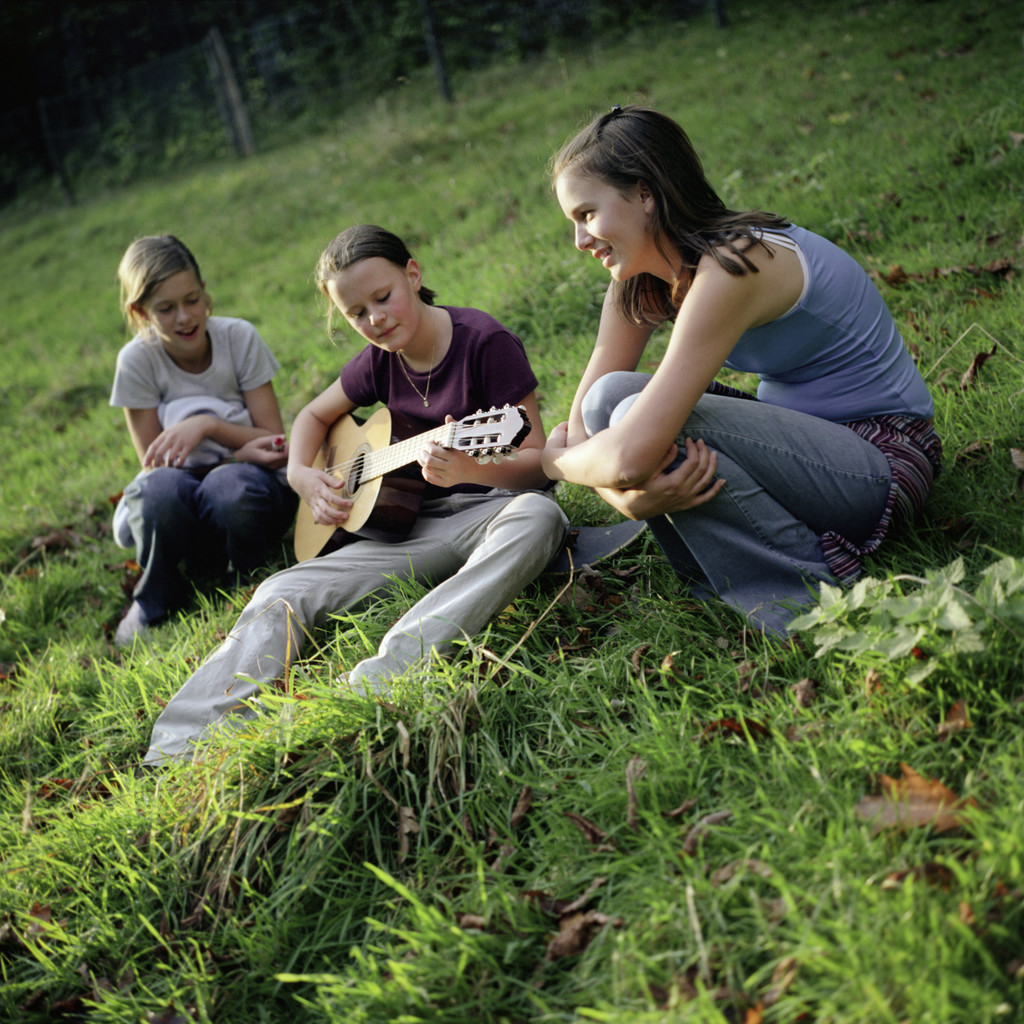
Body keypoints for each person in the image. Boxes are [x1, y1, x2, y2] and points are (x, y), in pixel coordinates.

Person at [144, 225, 566, 764]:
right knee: (280, 590)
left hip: (487, 513)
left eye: (383, 298)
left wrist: (471, 469)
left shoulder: (483, 342)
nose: (375, 319)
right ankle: (176, 744)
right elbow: (315, 417)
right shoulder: (377, 361)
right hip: (403, 528)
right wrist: (302, 474)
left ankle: (381, 677)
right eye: (356, 313)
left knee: (539, 516)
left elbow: (538, 467)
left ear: (413, 275)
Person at [541, 105, 942, 635]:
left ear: (644, 193)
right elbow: (586, 426)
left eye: (587, 215)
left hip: (882, 461)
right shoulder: (642, 278)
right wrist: (617, 484)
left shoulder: (738, 263)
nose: (580, 241)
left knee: (640, 419)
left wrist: (558, 465)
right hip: (810, 456)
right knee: (609, 399)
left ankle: (804, 602)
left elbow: (609, 452)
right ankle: (724, 576)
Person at [110, 235, 297, 647]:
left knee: (230, 487)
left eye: (192, 299)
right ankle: (157, 596)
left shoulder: (238, 338)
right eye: (166, 308)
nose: (185, 317)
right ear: (139, 313)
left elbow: (273, 440)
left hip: (248, 496)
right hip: (182, 506)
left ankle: (248, 579)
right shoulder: (136, 362)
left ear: (204, 291)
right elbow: (155, 466)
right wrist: (232, 452)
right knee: (155, 492)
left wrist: (209, 426)